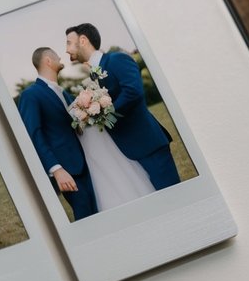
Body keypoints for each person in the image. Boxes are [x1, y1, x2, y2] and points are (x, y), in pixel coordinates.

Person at [65, 22, 181, 203]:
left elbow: (133, 91)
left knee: (174, 197)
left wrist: (103, 112)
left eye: (69, 43)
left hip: (146, 142)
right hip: (128, 149)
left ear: (83, 40)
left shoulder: (117, 59)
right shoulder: (94, 74)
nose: (67, 50)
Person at [16, 47, 98, 220]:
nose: (61, 58)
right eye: (57, 57)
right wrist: (56, 169)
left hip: (87, 163)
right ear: (48, 61)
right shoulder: (31, 95)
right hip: (67, 169)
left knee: (98, 210)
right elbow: (33, 135)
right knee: (85, 215)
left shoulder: (63, 92)